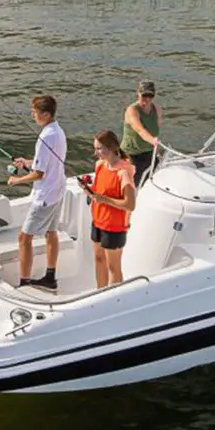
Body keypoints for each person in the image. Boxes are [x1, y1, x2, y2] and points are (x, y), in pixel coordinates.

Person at [7, 94, 67, 291]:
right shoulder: (58, 131)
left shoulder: (44, 137)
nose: (33, 115)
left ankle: (24, 283)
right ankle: (50, 277)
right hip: (58, 191)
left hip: (45, 197)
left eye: (35, 112)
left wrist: (17, 180)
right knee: (51, 233)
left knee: (24, 238)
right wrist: (27, 163)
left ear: (46, 114)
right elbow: (46, 164)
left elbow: (39, 174)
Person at [82, 131, 138, 288]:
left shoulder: (123, 172)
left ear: (111, 148)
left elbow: (130, 204)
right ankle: (99, 293)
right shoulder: (100, 165)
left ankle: (114, 300)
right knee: (99, 259)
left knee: (113, 267)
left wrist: (104, 200)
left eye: (99, 149)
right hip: (98, 220)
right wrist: (88, 190)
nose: (95, 153)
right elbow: (98, 192)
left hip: (114, 226)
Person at [121, 80, 162, 185]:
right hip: (131, 154)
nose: (147, 99)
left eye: (150, 96)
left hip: (148, 152)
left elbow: (156, 130)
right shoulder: (132, 110)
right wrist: (153, 141)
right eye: (144, 95)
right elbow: (140, 130)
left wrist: (156, 147)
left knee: (153, 180)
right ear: (138, 94)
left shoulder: (157, 109)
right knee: (133, 183)